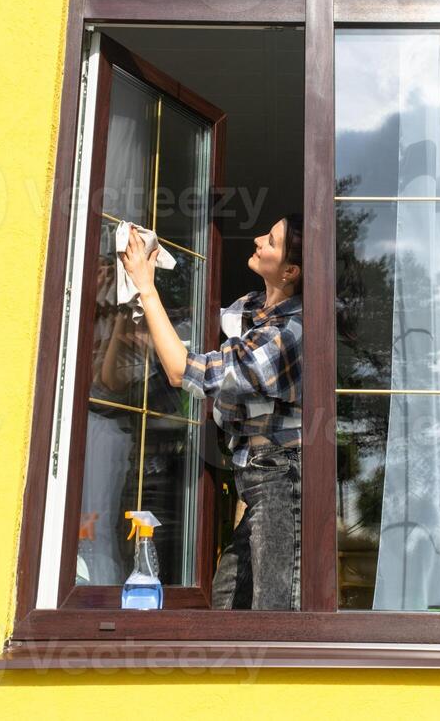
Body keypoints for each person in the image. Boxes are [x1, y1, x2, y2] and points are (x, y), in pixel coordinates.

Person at [120, 213, 303, 610]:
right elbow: (193, 336)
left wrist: (147, 288)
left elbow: (182, 369)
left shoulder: (290, 333)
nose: (257, 240)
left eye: (270, 241)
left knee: (273, 613)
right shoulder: (252, 312)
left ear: (289, 270)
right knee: (225, 606)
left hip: (281, 475)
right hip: (256, 477)